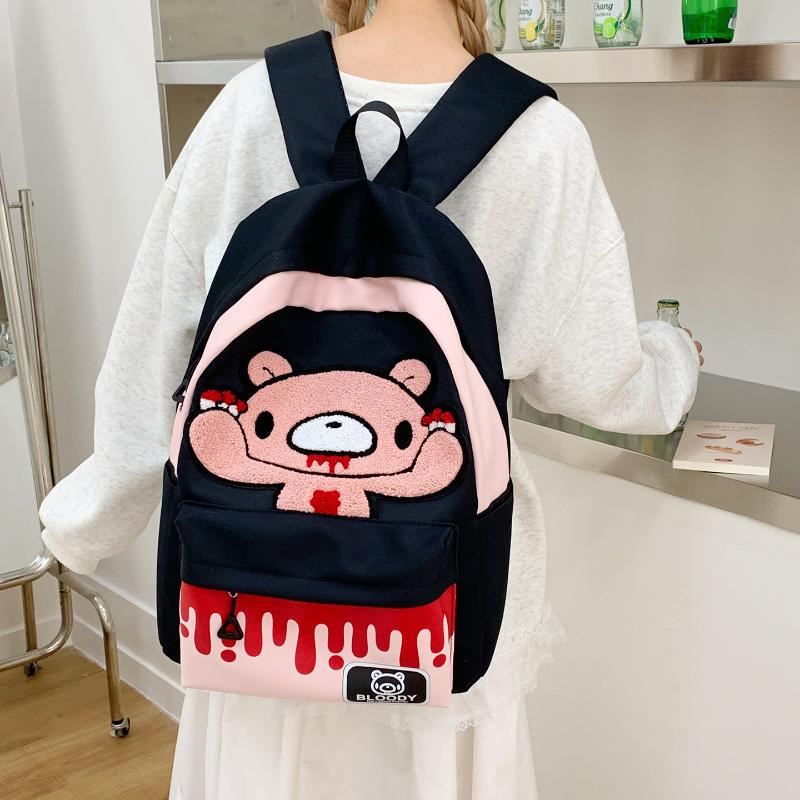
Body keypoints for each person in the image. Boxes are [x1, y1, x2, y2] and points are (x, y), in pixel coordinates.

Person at [38, 1, 703, 797]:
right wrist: (674, 359)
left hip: (254, 605)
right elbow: (591, 378)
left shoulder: (252, 106)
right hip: (437, 606)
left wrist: (83, 524)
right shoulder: (540, 138)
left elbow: (156, 353)